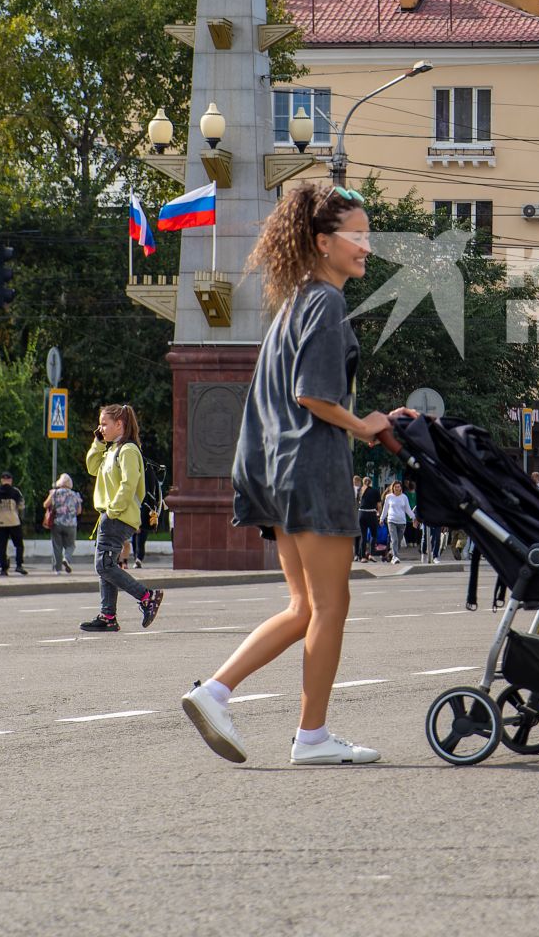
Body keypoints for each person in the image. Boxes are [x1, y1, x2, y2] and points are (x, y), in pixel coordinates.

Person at [179, 181, 414, 767]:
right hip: (311, 468)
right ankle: (308, 735)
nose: (366, 247)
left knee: (303, 606)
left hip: (272, 468)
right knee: (331, 606)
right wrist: (366, 425)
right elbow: (314, 395)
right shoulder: (328, 304)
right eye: (355, 236)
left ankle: (217, 692)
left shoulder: (294, 303)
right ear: (321, 242)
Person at [81, 404, 163, 632]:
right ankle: (108, 617)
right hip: (110, 515)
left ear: (120, 424)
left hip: (118, 516)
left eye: (105, 423)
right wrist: (97, 442)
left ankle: (147, 596)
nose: (101, 428)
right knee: (107, 565)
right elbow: (91, 467)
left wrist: (113, 510)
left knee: (104, 564)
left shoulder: (128, 450)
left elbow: (129, 484)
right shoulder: (111, 450)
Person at [43, 474, 82, 575]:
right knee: (71, 545)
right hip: (71, 524)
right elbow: (79, 511)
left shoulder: (54, 493)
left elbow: (45, 505)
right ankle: (66, 559)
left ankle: (58, 569)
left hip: (57, 523)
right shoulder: (75, 495)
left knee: (57, 546)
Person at [0, 472, 27, 576]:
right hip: (14, 521)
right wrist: (15, 511)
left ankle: (3, 569)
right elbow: (22, 505)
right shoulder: (15, 491)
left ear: (1, 480)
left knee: (2, 546)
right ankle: (19, 565)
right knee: (19, 545)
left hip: (1, 522)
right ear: (11, 480)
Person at [380, 480, 411, 565]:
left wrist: (414, 518)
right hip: (391, 520)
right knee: (394, 539)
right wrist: (381, 519)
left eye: (399, 486)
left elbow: (407, 509)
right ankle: (395, 557)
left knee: (399, 541)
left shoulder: (404, 497)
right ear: (393, 488)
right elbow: (385, 509)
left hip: (402, 522)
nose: (397, 488)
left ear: (401, 488)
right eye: (396, 487)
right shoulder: (389, 497)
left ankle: (391, 553)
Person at [356, 477, 380, 563]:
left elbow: (358, 502)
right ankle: (371, 554)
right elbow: (379, 505)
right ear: (371, 483)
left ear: (363, 482)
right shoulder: (375, 491)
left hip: (361, 513)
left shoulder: (360, 490)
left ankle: (362, 557)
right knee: (374, 534)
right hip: (371, 513)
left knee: (363, 535)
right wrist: (379, 513)